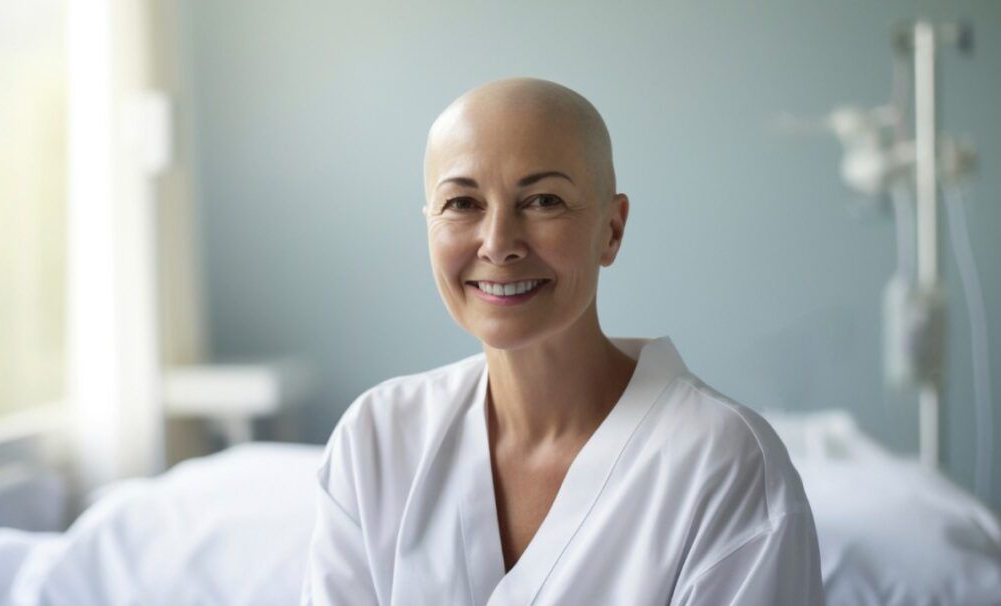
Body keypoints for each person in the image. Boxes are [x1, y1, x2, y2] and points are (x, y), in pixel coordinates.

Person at [302, 78, 824, 605]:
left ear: (612, 230)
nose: (499, 243)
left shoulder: (724, 465)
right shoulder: (376, 438)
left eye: (544, 200)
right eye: (462, 203)